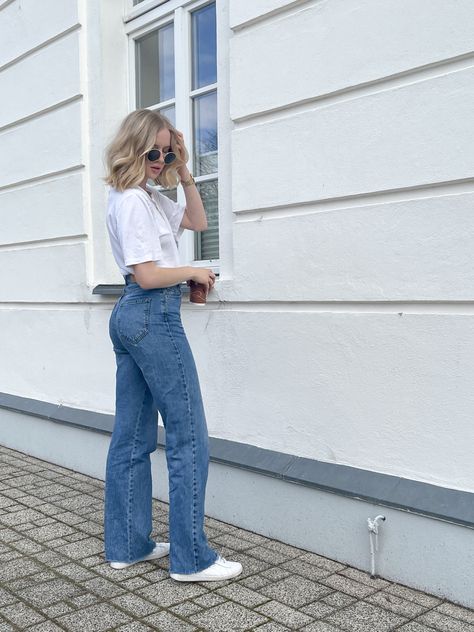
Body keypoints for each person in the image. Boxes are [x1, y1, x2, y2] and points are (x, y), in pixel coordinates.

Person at [102, 108, 242, 582]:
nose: (159, 159)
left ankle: (127, 545)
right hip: (152, 313)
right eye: (154, 151)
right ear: (134, 147)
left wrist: (184, 168)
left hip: (132, 316)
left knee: (134, 436)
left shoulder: (143, 197)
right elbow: (147, 273)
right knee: (188, 437)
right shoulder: (131, 201)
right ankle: (191, 558)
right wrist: (193, 271)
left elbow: (199, 220)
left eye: (166, 151)